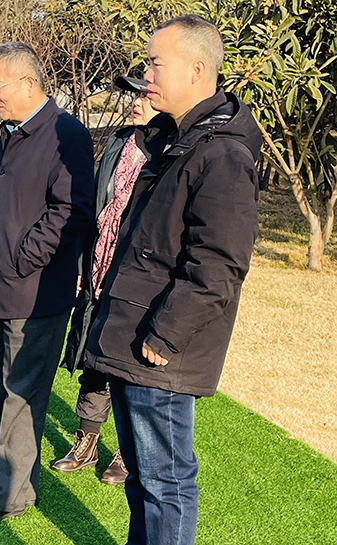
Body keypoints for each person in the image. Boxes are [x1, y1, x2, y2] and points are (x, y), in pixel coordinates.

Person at [83, 15, 261, 544]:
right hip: (130, 331)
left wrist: (165, 335)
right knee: (143, 477)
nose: (147, 74)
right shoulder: (174, 139)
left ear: (197, 70)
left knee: (166, 481)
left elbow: (220, 263)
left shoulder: (223, 153)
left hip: (159, 348)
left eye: (156, 63)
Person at [0, 41, 95, 524]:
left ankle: (6, 495)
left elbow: (71, 212)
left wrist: (20, 260)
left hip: (35, 295)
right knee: (3, 391)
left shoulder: (66, 134)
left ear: (28, 83)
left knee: (19, 396)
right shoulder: (10, 133)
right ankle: (17, 483)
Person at [52, 75, 158, 485]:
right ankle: (86, 442)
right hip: (100, 265)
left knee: (130, 365)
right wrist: (84, 264)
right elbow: (98, 204)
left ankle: (127, 452)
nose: (136, 102)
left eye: (145, 95)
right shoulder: (119, 141)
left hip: (139, 277)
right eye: (134, 95)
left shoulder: (170, 149)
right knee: (93, 355)